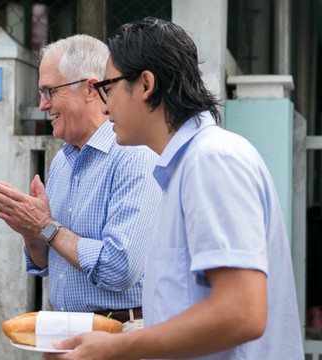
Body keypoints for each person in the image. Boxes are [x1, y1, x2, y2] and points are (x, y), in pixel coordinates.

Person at [44, 17, 304, 359]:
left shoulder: (211, 160)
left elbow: (241, 313)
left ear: (145, 84)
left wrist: (116, 347)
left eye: (108, 88)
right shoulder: (183, 166)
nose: (105, 106)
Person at [0, 34, 161, 328]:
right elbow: (45, 262)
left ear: (92, 89)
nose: (42, 104)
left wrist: (46, 226)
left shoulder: (134, 156)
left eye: (49, 91)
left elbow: (120, 268)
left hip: (123, 333)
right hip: (65, 331)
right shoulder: (63, 161)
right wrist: (31, 230)